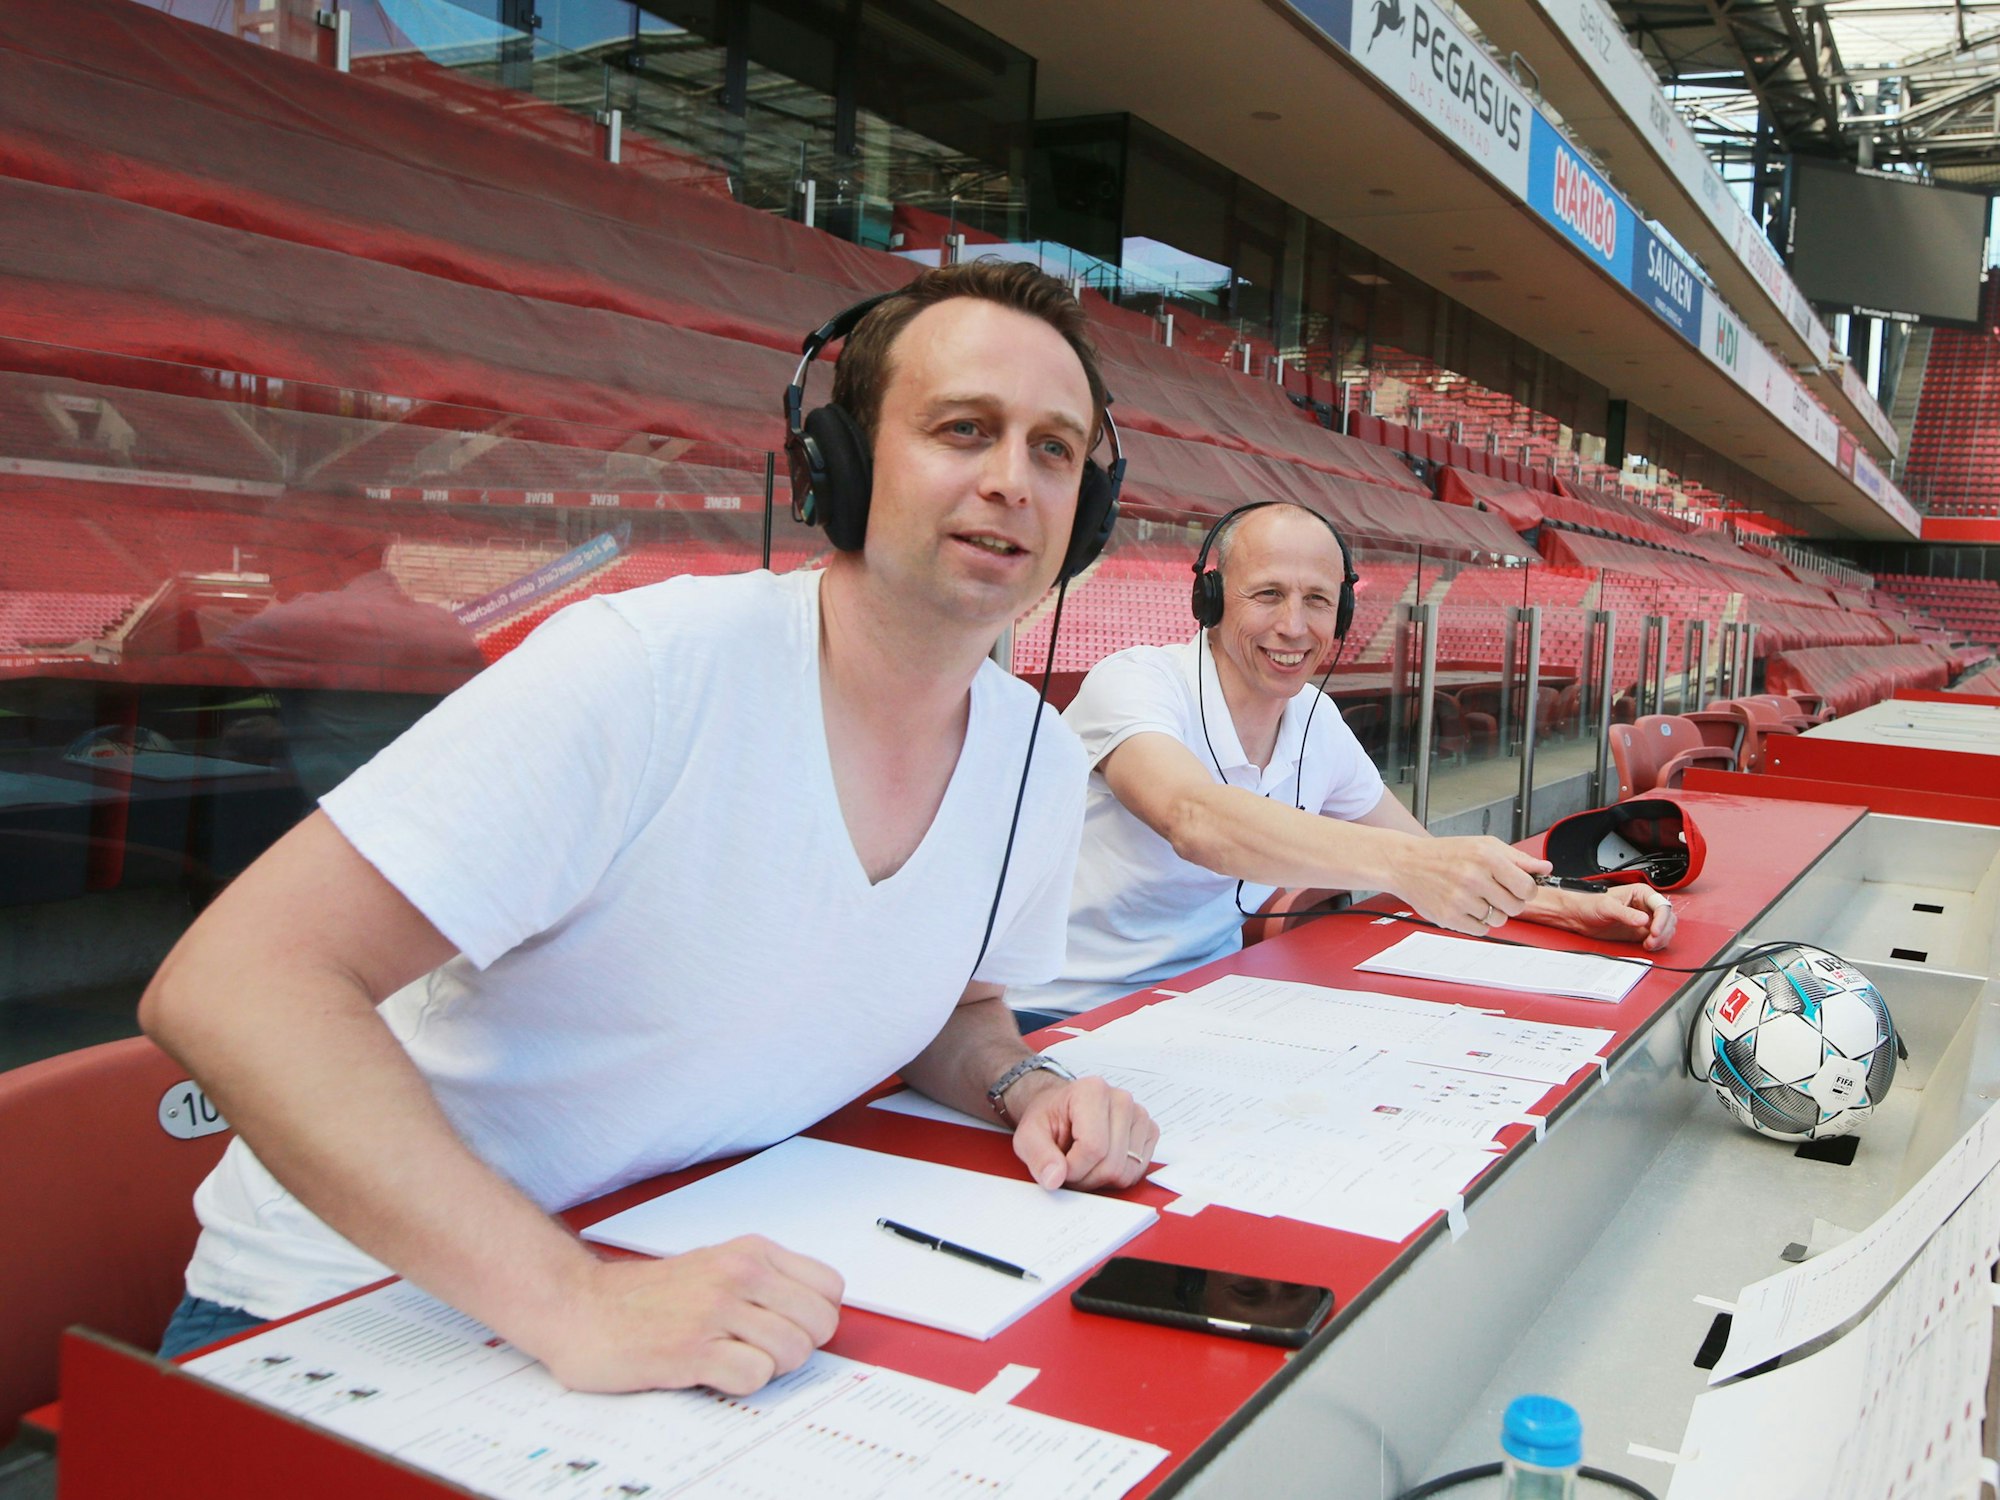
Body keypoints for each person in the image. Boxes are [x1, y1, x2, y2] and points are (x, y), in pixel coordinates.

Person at [140, 260, 1158, 1396]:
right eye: (963, 429)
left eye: (1053, 449)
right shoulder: (644, 674)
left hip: (679, 1273)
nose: (1011, 481)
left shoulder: (1035, 759)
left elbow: (952, 1006)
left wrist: (1024, 1087)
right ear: (841, 462)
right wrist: (575, 1299)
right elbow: (236, 982)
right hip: (357, 1313)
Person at [1007, 500, 1677, 1025]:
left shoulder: (1315, 721)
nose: (1294, 627)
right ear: (1210, 598)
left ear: (1344, 611)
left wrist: (1573, 907)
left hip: (1203, 1002)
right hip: (1055, 1013)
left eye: (1318, 601)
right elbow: (1194, 819)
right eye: (1267, 595)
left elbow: (1418, 852)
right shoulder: (1133, 681)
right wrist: (1411, 868)